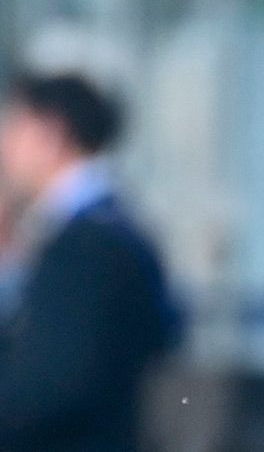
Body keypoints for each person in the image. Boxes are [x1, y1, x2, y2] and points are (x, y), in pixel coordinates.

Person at [0, 73, 181, 452]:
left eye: (15, 129)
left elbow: (53, 384)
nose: (6, 148)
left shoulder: (87, 244)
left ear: (52, 135)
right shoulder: (106, 229)